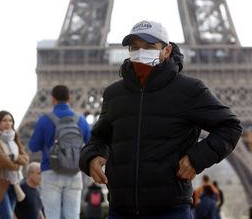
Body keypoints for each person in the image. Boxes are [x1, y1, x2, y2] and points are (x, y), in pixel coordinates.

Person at [79, 20, 242, 218]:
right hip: (120, 210)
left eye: (149, 46)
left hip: (170, 210)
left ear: (166, 50)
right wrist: (91, 156)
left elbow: (230, 126)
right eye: (135, 47)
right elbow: (100, 137)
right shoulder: (114, 94)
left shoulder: (189, 90)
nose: (141, 52)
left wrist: (196, 159)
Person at [28, 85, 91, 219]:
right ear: (69, 98)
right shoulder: (81, 120)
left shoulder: (44, 120)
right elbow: (91, 143)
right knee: (73, 215)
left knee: (52, 215)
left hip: (50, 171)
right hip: (74, 172)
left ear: (53, 99)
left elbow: (33, 147)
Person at [0, 110, 29, 219]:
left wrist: (15, 157)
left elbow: (26, 158)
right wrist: (17, 165)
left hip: (13, 183)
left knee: (8, 215)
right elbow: (2, 161)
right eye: (4, 120)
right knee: (7, 217)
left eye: (10, 120)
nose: (8, 123)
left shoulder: (14, 138)